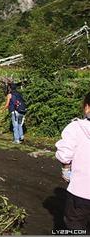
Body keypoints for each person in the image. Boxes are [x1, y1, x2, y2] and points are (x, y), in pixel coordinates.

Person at [55, 92, 90, 230]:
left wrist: (65, 169)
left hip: (80, 191)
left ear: (87, 107)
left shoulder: (76, 128)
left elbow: (65, 155)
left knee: (75, 225)